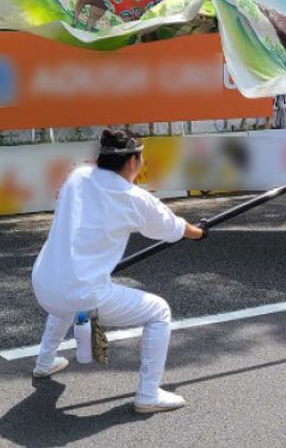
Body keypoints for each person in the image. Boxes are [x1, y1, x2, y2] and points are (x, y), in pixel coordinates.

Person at [31, 129, 208, 413]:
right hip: (80, 294)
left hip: (43, 284)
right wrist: (200, 232)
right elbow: (176, 229)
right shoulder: (135, 199)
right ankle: (149, 394)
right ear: (132, 162)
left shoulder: (77, 176)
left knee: (65, 297)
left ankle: (44, 362)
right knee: (159, 312)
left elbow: (86, 175)